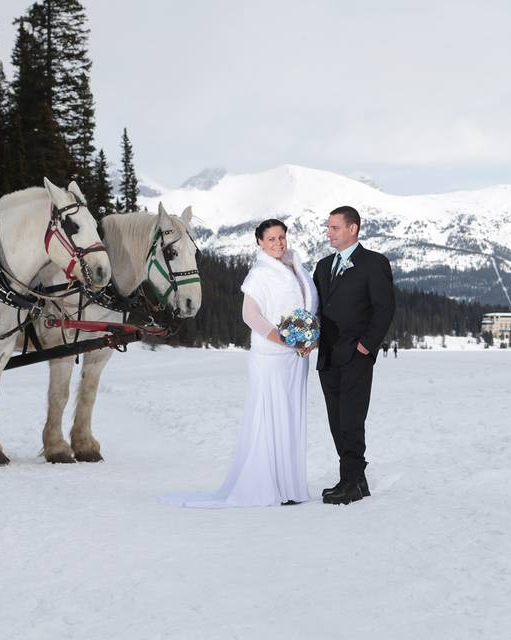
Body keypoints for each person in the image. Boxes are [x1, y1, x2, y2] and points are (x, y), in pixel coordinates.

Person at [161, 219, 317, 508]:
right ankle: (269, 484)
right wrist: (284, 340)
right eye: (271, 239)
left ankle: (289, 485)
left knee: (290, 417)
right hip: (271, 356)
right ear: (259, 242)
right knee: (270, 417)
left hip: (296, 358)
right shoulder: (260, 273)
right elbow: (251, 316)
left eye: (281, 237)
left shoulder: (295, 266)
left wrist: (308, 339)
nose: (278, 243)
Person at [313, 205, 395, 505]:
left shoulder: (374, 263)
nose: (329, 233)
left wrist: (366, 346)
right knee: (336, 420)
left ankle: (350, 482)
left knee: (351, 419)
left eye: (335, 227)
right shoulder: (323, 266)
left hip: (356, 356)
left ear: (353, 229)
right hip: (327, 357)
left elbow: (385, 308)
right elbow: (319, 309)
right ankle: (355, 480)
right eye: (328, 227)